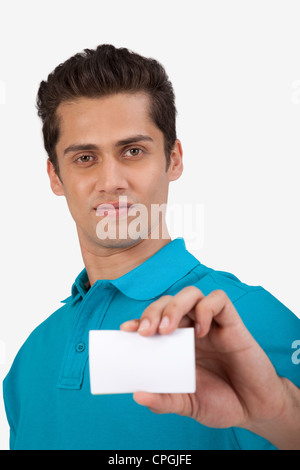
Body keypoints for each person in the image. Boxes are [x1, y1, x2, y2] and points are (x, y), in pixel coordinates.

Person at [3, 44, 300, 451]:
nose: (111, 180)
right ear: (55, 176)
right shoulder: (29, 360)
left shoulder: (249, 321)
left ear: (173, 159)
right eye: (85, 157)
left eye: (133, 151)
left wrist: (284, 416)